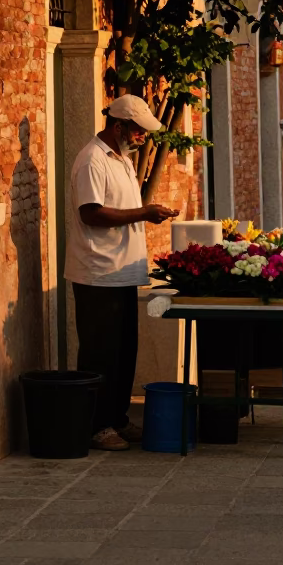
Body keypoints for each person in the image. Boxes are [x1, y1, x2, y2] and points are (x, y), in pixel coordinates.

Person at [64, 95, 177, 451]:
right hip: (98, 273)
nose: (143, 137)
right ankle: (97, 426)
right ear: (118, 127)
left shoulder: (122, 161)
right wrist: (144, 214)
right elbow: (91, 213)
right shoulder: (92, 161)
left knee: (124, 351)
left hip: (123, 272)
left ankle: (118, 418)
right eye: (139, 131)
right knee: (100, 352)